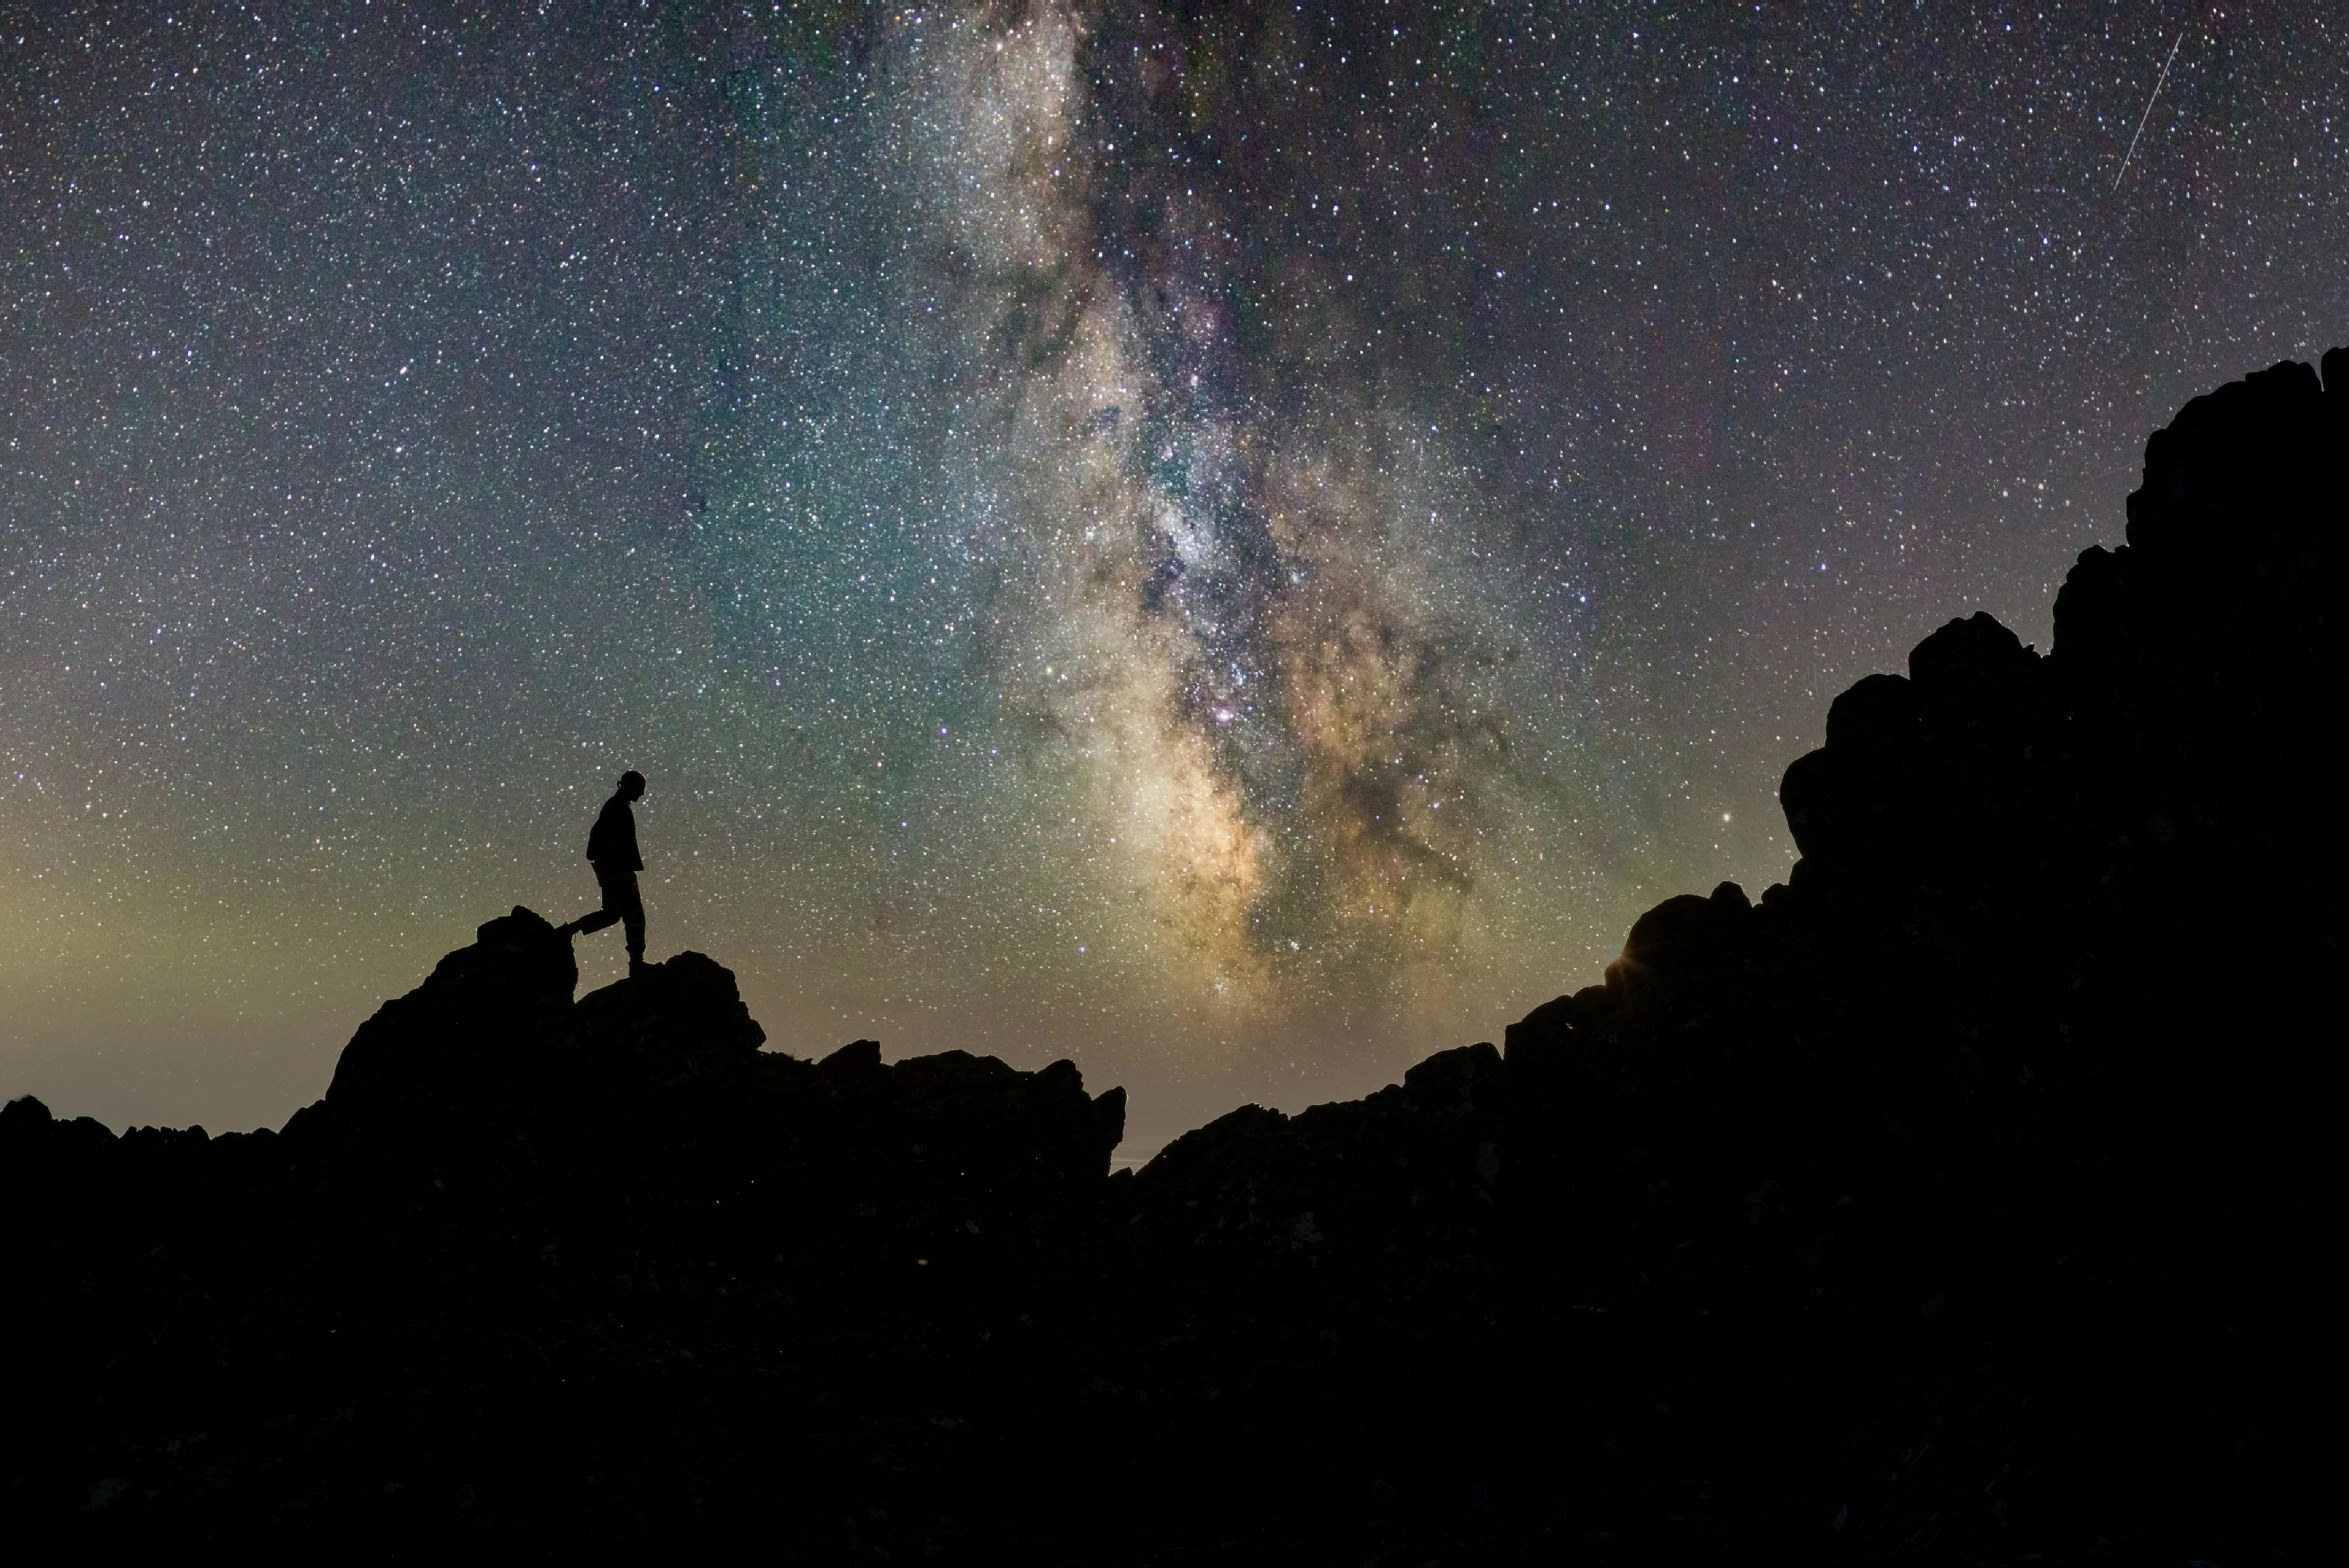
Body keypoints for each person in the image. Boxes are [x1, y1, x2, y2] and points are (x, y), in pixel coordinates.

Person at [561, 770, 649, 973]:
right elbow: (613, 841)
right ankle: (636, 963)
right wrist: (621, 869)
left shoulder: (616, 806)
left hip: (612, 872)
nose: (642, 794)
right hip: (619, 872)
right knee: (634, 916)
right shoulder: (617, 808)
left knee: (612, 914)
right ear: (629, 786)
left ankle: (569, 930)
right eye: (640, 789)